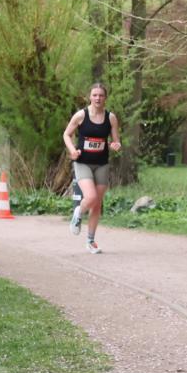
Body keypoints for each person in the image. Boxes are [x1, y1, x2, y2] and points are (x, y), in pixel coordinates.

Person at [63, 83, 122, 254]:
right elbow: (66, 134)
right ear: (90, 97)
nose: (97, 98)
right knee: (90, 197)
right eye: (94, 95)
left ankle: (90, 241)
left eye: (101, 95)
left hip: (102, 164)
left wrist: (115, 145)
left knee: (96, 204)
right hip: (83, 163)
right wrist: (73, 150)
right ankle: (78, 212)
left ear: (105, 98)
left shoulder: (111, 118)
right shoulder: (81, 115)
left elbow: (116, 140)